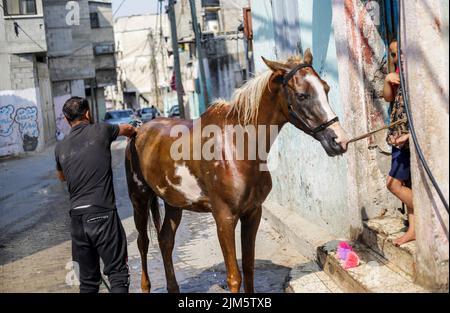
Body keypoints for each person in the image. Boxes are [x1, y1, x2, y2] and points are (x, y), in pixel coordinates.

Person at [55, 97, 136, 293]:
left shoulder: (60, 147)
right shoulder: (101, 130)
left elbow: (62, 177)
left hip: (77, 221)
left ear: (66, 120)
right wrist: (135, 130)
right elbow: (126, 129)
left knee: (88, 282)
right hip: (103, 215)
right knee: (117, 275)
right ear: (88, 114)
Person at [383, 40, 415, 246]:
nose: (398, 57)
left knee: (392, 184)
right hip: (398, 139)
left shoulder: (417, 74)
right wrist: (387, 80)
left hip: (409, 140)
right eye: (394, 54)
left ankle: (431, 217)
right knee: (408, 185)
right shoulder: (396, 74)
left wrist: (410, 136)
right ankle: (413, 230)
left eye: (402, 52)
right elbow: (389, 98)